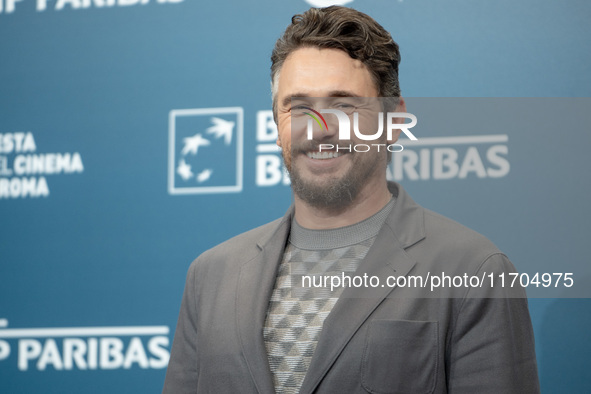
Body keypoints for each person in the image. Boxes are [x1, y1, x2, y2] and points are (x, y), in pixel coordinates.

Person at [163, 6, 539, 394]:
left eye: (343, 104)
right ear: (277, 125)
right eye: (298, 106)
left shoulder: (474, 270)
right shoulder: (210, 277)